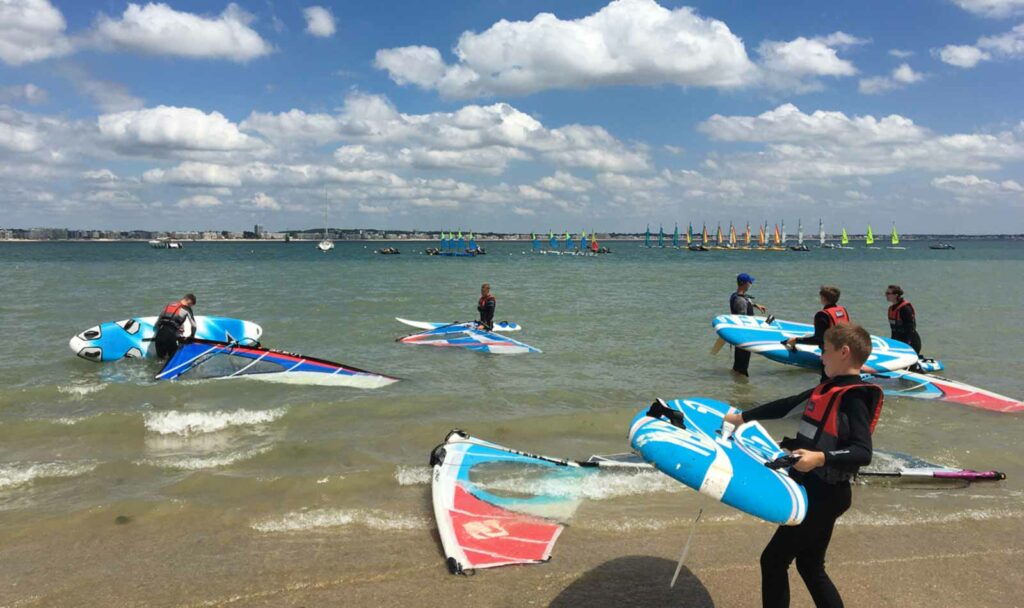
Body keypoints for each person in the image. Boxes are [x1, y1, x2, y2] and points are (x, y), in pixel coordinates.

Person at [723, 324, 884, 608]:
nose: (821, 355)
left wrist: (819, 458)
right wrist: (742, 418)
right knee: (810, 566)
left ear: (844, 353)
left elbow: (862, 451)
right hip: (819, 490)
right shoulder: (830, 387)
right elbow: (787, 404)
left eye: (825, 350)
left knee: (773, 560)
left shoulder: (854, 397)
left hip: (825, 493)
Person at [784, 286, 849, 379]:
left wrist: (796, 340)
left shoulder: (822, 315)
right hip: (844, 352)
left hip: (830, 355)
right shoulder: (842, 310)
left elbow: (818, 340)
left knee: (826, 383)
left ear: (823, 298)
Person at [730, 273, 767, 376]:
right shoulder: (740, 301)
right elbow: (743, 320)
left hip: (739, 336)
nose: (751, 284)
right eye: (750, 282)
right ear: (745, 284)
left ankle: (735, 381)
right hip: (743, 337)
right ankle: (741, 385)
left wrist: (755, 305)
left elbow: (745, 301)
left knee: (738, 363)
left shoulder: (736, 295)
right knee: (743, 365)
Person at [153, 294, 197, 358]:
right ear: (189, 301)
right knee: (174, 360)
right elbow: (194, 325)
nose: (190, 307)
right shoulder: (187, 309)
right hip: (170, 337)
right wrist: (192, 336)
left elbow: (158, 322)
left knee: (160, 361)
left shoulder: (169, 305)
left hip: (158, 337)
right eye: (191, 305)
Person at [886, 285, 922, 355]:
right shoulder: (891, 309)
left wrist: (906, 346)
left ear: (895, 295)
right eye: (886, 293)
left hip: (911, 343)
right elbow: (893, 331)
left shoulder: (905, 308)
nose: (886, 295)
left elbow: (911, 329)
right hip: (898, 342)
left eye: (888, 293)